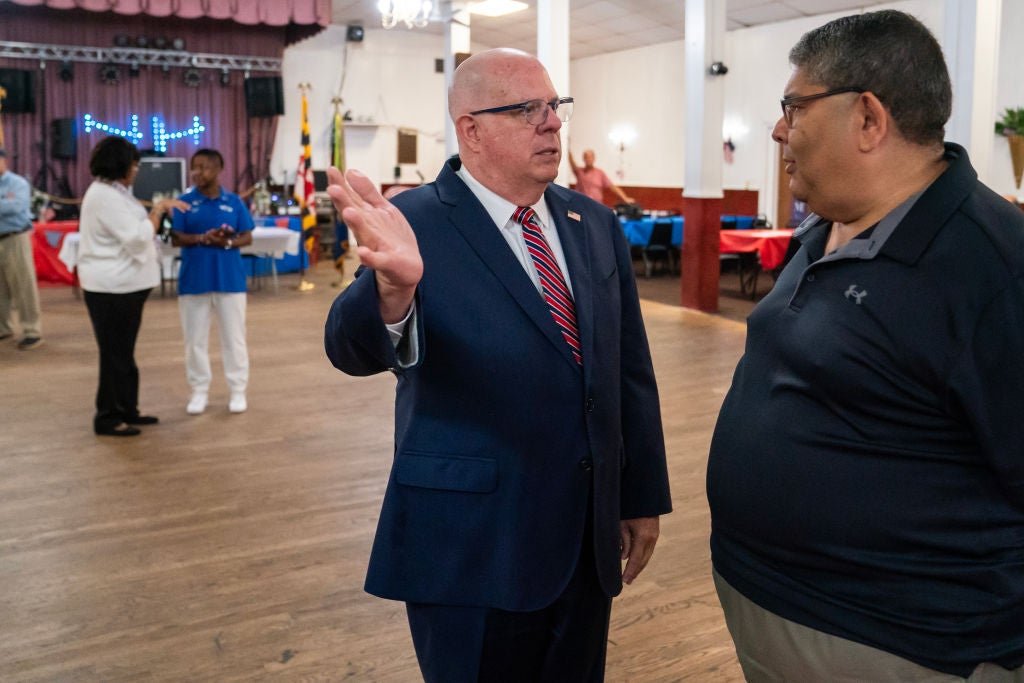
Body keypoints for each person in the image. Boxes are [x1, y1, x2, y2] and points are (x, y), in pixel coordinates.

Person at [324, 48, 671, 682]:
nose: (551, 124)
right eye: (526, 110)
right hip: (472, 544)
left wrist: (640, 493)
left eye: (554, 106)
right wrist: (392, 295)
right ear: (471, 129)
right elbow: (347, 348)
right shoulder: (415, 220)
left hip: (585, 538)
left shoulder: (591, 222)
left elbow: (628, 369)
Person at [707, 10, 1024, 681]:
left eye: (794, 106)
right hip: (771, 606)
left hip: (896, 640)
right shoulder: (824, 230)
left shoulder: (993, 267)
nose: (777, 129)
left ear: (869, 119)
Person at [78, 136, 188, 436]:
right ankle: (108, 416)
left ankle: (128, 408)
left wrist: (156, 211)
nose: (137, 170)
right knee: (115, 353)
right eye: (134, 164)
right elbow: (137, 237)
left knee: (123, 352)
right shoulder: (104, 196)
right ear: (120, 165)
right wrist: (157, 211)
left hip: (125, 286)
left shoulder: (117, 193)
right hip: (111, 288)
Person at [170, 148, 254, 415]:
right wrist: (203, 239)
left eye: (204, 167)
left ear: (219, 169)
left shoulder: (234, 202)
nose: (198, 173)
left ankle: (238, 389)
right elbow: (175, 237)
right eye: (194, 167)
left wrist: (226, 241)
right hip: (194, 281)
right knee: (194, 340)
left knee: (234, 338)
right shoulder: (184, 202)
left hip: (230, 280)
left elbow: (247, 237)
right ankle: (199, 390)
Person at [0, 145, 43, 350]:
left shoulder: (17, 183)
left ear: (3, 161)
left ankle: (32, 331)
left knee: (23, 286)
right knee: (0, 289)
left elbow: (15, 207)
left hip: (15, 238)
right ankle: (3, 328)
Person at [568, 148, 634, 206]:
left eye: (590, 157)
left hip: (596, 207)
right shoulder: (579, 172)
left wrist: (625, 198)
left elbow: (613, 187)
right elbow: (571, 160)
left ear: (594, 158)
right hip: (581, 206)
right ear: (583, 159)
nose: (588, 159)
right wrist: (567, 144)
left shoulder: (600, 173)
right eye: (586, 157)